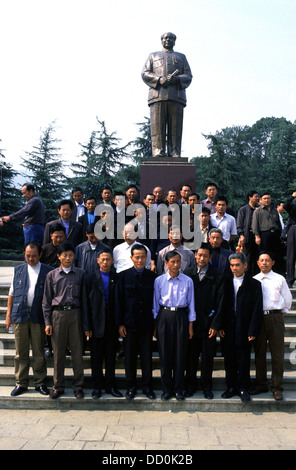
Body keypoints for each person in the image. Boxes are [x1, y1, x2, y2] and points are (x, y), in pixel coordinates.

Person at [6, 242, 53, 396]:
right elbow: (11, 294)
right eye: (27, 255)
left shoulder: (48, 271)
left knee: (39, 352)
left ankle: (40, 382)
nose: (30, 258)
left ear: (40, 255)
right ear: (24, 254)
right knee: (21, 352)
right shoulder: (18, 270)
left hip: (38, 315)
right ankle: (21, 382)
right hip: (20, 314)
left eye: (33, 255)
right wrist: (8, 316)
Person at [42, 242, 85, 399]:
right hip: (58, 315)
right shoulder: (51, 275)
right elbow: (46, 300)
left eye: (70, 255)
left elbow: (85, 299)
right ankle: (58, 386)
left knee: (77, 352)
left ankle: (78, 385)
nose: (68, 258)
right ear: (59, 256)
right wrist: (47, 322)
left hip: (76, 314)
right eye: (64, 255)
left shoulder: (81, 274)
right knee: (58, 353)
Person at [153, 250, 196, 400]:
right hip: (164, 316)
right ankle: (166, 389)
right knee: (165, 355)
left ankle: (178, 389)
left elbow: (191, 304)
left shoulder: (187, 281)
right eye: (173, 262)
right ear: (166, 263)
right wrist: (155, 325)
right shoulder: (159, 281)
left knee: (180, 354)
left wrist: (190, 326)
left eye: (178, 261)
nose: (176, 265)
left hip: (181, 316)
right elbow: (155, 304)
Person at [142, 32, 192, 158]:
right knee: (157, 126)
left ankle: (174, 152)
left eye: (171, 38)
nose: (168, 40)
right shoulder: (153, 56)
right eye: (165, 38)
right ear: (161, 40)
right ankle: (158, 151)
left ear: (174, 41)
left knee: (175, 127)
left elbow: (188, 75)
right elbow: (145, 73)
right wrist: (159, 79)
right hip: (157, 95)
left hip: (176, 96)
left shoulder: (181, 57)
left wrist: (178, 79)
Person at [115, 244, 156, 400]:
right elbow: (119, 301)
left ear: (147, 258)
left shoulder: (152, 277)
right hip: (129, 324)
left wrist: (155, 325)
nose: (140, 260)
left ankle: (147, 387)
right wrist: (120, 324)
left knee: (146, 357)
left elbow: (155, 302)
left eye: (143, 257)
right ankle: (131, 386)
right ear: (131, 258)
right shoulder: (123, 277)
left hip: (146, 324)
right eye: (137, 257)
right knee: (130, 357)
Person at [221, 252, 263, 402]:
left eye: (237, 265)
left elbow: (257, 309)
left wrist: (253, 330)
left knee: (243, 359)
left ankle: (243, 388)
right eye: (232, 265)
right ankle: (231, 387)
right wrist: (220, 325)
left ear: (245, 265)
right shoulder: (225, 282)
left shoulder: (254, 284)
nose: (234, 268)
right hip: (229, 326)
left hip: (245, 326)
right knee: (229, 360)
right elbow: (221, 306)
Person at [184, 243, 225, 399]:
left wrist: (215, 324)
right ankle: (190, 385)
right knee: (191, 357)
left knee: (208, 358)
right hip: (192, 324)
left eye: (205, 256)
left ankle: (207, 386)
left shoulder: (218, 276)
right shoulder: (187, 274)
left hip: (209, 324)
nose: (202, 258)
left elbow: (221, 303)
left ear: (210, 257)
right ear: (195, 255)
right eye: (199, 255)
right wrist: (188, 323)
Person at [251, 251, 292, 400]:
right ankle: (261, 384)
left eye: (267, 260)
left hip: (275, 318)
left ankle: (277, 387)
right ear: (257, 263)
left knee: (277, 354)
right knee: (259, 353)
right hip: (259, 319)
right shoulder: (254, 280)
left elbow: (287, 300)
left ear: (273, 262)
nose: (264, 263)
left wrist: (280, 313)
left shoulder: (279, 279)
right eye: (261, 260)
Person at [82, 248, 122, 398]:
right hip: (95, 322)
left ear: (112, 261)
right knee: (96, 358)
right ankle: (97, 387)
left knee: (111, 357)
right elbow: (85, 303)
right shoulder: (90, 277)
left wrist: (120, 323)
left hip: (111, 321)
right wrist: (86, 326)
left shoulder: (116, 277)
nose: (105, 262)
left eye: (108, 259)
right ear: (98, 260)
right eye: (103, 259)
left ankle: (110, 386)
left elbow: (120, 302)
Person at [252, 192, 282, 272]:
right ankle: (264, 272)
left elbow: (278, 224)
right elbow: (255, 224)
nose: (267, 200)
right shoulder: (258, 211)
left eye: (268, 198)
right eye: (264, 198)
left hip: (275, 234)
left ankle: (276, 272)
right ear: (261, 200)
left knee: (277, 255)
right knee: (265, 254)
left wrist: (280, 235)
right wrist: (257, 236)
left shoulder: (274, 210)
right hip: (264, 235)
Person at [236, 190, 260, 276]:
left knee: (257, 258)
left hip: (258, 237)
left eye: (258, 196)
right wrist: (241, 235)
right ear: (250, 197)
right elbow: (239, 225)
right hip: (247, 236)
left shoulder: (259, 209)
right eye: (256, 196)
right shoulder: (243, 210)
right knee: (248, 258)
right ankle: (246, 278)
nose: (258, 198)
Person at [283, 191, 296, 287]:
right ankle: (290, 279)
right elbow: (285, 205)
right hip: (294, 229)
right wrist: (292, 196)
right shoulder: (293, 206)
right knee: (291, 254)